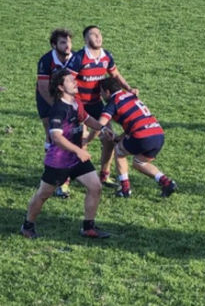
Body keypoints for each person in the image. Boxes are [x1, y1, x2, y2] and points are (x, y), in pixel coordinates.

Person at [21, 70, 115, 239]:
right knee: (43, 194)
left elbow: (86, 118)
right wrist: (79, 150)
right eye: (70, 80)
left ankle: (88, 228)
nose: (75, 82)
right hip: (59, 161)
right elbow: (56, 138)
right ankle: (27, 225)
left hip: (76, 159)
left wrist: (102, 128)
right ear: (60, 87)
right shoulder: (58, 110)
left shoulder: (76, 102)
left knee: (95, 187)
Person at [67, 26, 139, 189]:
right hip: (78, 105)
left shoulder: (107, 56)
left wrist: (129, 88)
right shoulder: (79, 58)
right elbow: (67, 81)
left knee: (109, 139)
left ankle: (104, 176)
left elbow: (115, 75)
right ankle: (68, 180)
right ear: (86, 40)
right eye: (93, 35)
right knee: (79, 142)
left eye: (99, 34)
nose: (98, 37)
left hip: (97, 105)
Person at [98, 78, 177, 198]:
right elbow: (134, 121)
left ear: (107, 92)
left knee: (119, 151)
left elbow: (100, 124)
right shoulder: (130, 95)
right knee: (139, 162)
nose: (101, 95)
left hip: (143, 136)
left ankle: (125, 189)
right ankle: (166, 183)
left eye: (101, 92)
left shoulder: (113, 102)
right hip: (158, 134)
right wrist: (120, 137)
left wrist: (87, 139)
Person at [36, 28, 74, 198]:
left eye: (69, 42)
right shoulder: (45, 60)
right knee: (52, 136)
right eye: (63, 42)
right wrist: (57, 107)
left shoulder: (75, 59)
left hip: (66, 100)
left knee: (67, 136)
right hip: (47, 99)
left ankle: (63, 180)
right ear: (54, 45)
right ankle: (52, 172)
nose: (67, 46)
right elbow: (43, 87)